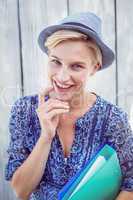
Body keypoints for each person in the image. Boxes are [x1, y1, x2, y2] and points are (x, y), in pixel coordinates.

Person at [5, 12, 133, 200]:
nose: (62, 77)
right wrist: (46, 137)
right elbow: (21, 190)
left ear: (95, 67)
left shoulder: (113, 118)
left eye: (76, 66)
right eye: (56, 62)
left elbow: (130, 182)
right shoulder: (24, 110)